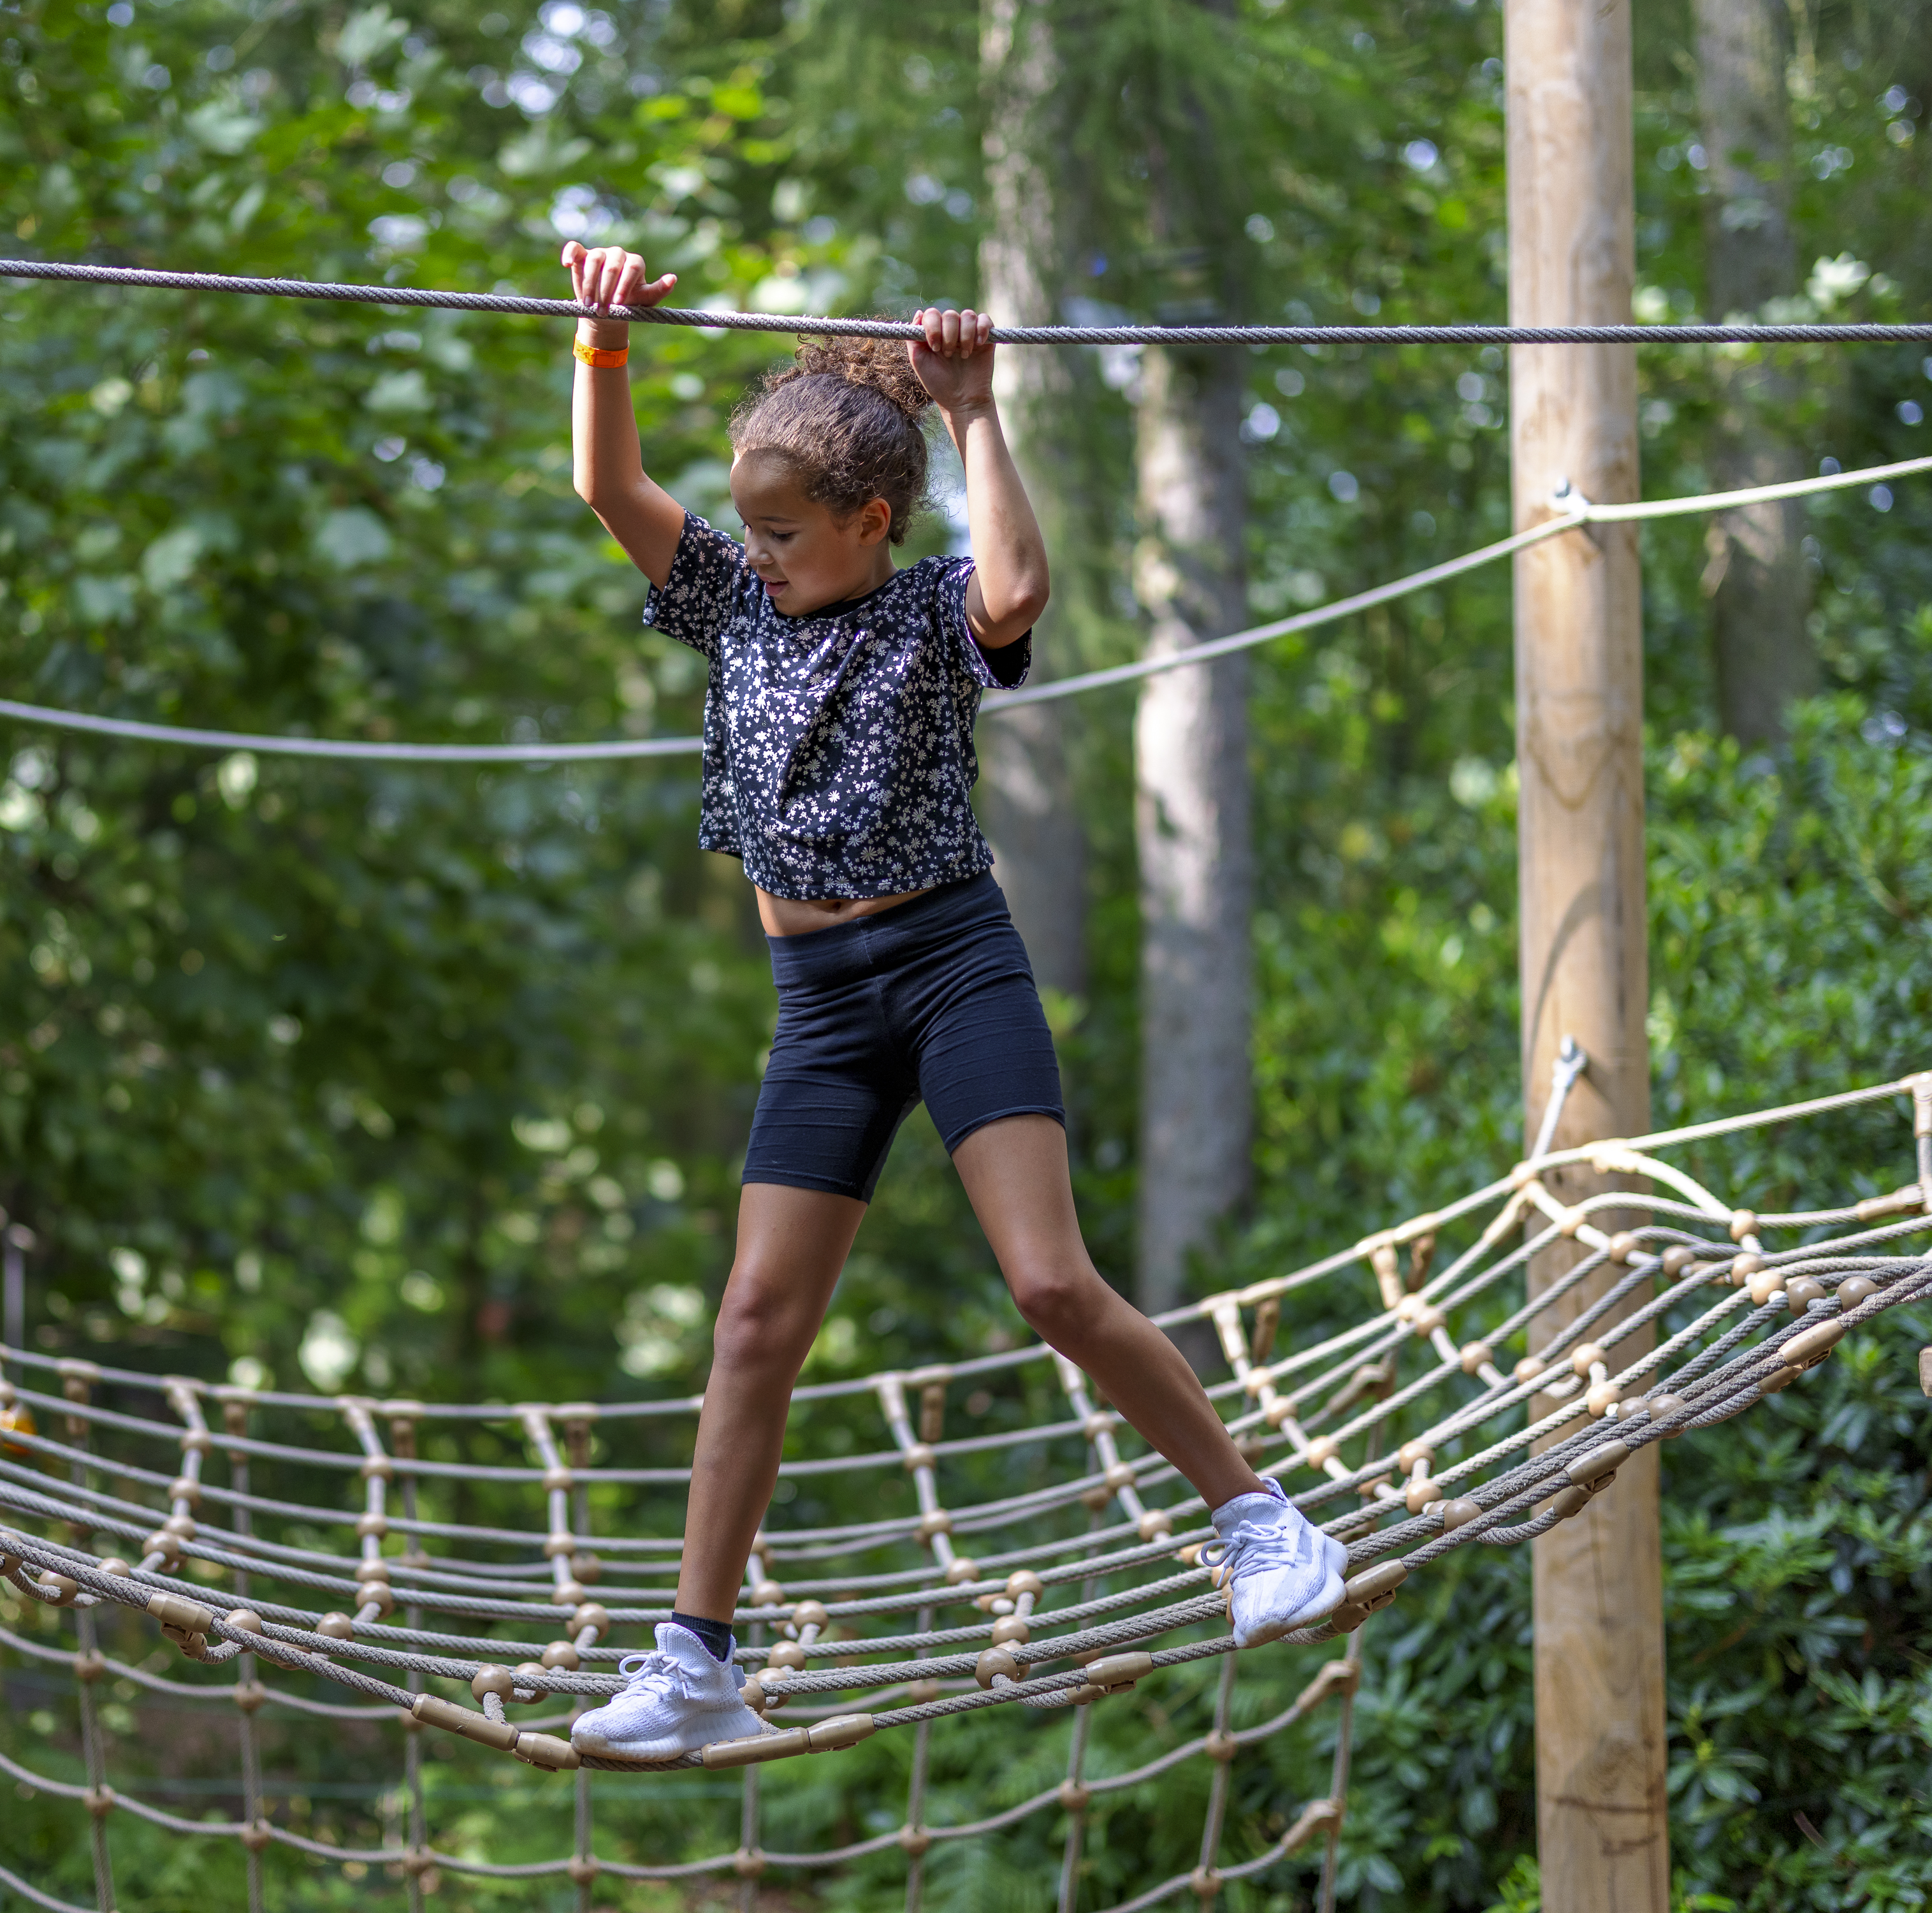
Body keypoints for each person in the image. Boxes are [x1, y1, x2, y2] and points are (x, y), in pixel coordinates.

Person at [553, 242, 1348, 1763]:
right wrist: (601, 342)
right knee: (752, 1323)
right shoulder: (728, 600)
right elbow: (610, 490)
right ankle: (696, 1659)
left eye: (788, 530)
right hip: (821, 1002)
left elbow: (1019, 587)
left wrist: (976, 409)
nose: (758, 549)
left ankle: (1260, 1523)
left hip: (951, 962)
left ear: (868, 521)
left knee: (1049, 1283)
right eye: (748, 524)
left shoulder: (927, 609)